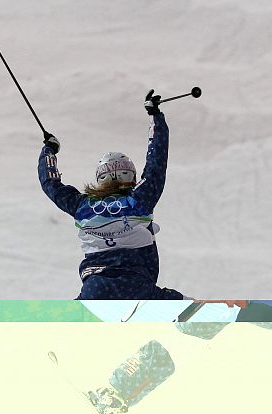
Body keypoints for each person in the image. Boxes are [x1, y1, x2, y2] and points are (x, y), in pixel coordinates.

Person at [38, 90, 185, 300]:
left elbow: (50, 183)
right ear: (132, 177)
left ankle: (69, 325)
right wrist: (156, 118)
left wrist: (48, 151)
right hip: (138, 289)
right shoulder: (140, 200)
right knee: (177, 304)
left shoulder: (82, 206)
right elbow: (156, 164)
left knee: (78, 315)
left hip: (95, 291)